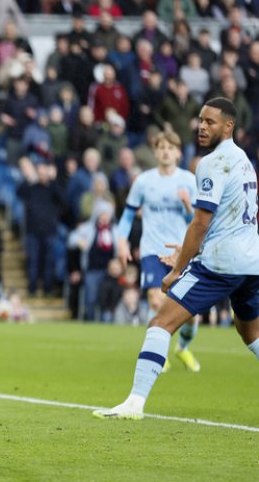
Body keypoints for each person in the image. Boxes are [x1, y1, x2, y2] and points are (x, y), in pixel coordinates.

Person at [94, 98, 259, 420]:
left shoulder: (211, 164)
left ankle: (134, 404)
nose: (201, 126)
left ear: (228, 126)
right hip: (251, 264)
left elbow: (200, 222)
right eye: (200, 119)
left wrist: (178, 269)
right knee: (251, 334)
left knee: (159, 323)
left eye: (210, 122)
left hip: (220, 264)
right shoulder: (244, 161)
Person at [115, 129, 201, 371]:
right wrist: (121, 241)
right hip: (152, 249)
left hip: (181, 252)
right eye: (161, 147)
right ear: (155, 152)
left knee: (189, 311)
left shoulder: (188, 180)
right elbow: (128, 213)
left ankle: (182, 348)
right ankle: (157, 354)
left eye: (170, 147)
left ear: (178, 153)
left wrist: (187, 204)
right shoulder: (143, 181)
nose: (165, 151)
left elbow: (197, 221)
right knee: (156, 298)